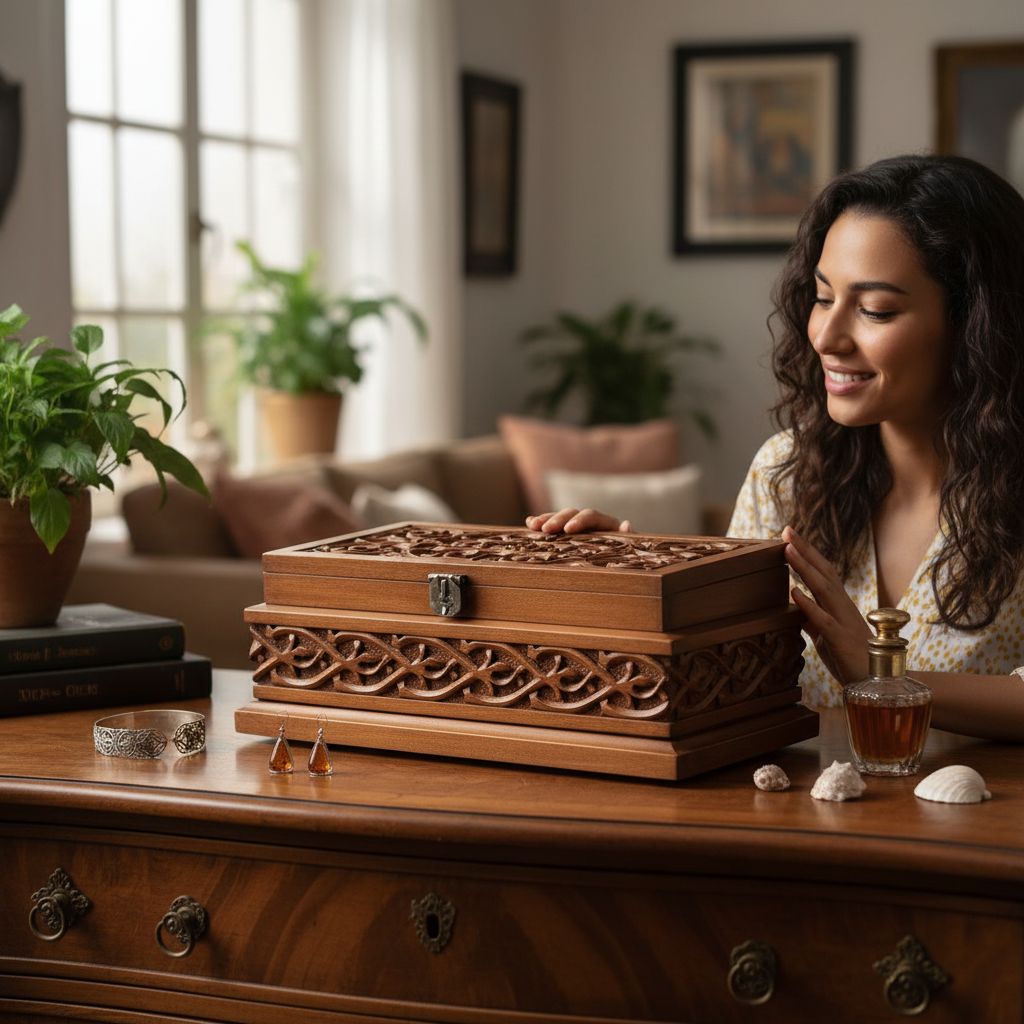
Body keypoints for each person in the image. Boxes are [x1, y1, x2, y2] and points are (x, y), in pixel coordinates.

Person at [527, 154, 1024, 740]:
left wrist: (881, 677)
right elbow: (730, 665)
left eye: (875, 310)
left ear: (977, 326)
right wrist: (647, 586)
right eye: (822, 296)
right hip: (792, 817)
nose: (828, 336)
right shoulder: (786, 473)